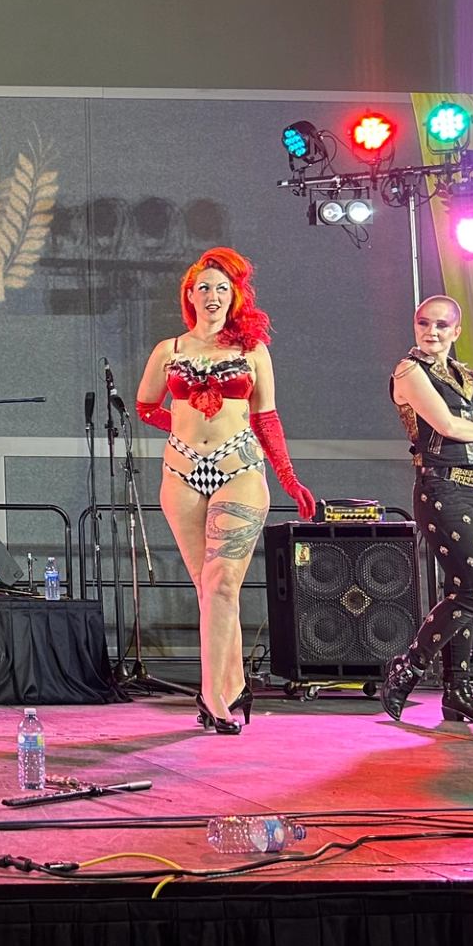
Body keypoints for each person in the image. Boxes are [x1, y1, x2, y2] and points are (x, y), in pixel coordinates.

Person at [133, 247, 316, 735]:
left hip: (240, 468)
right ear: (189, 296)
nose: (212, 296)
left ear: (234, 295)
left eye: (221, 288)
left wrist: (289, 478)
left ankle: (214, 697)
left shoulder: (252, 351)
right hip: (181, 473)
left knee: (220, 585)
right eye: (203, 288)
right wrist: (186, 419)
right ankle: (232, 686)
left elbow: (267, 418)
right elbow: (146, 405)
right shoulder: (168, 350)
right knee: (209, 590)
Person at [378, 294, 473, 724]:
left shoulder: (469, 376)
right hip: (442, 487)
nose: (432, 332)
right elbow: (447, 425)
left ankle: (458, 693)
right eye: (424, 323)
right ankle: (407, 667)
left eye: (442, 325)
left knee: (462, 592)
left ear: (456, 332)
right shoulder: (409, 370)